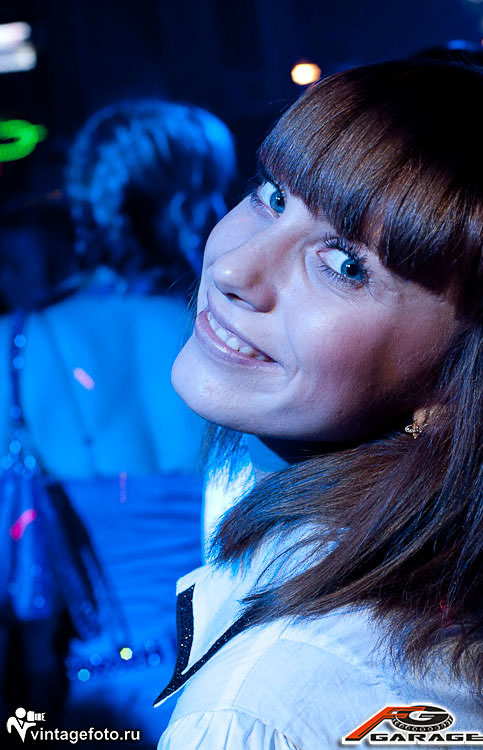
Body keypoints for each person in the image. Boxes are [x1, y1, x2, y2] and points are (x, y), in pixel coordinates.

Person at [155, 60, 483, 749]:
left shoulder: (260, 705)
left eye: (345, 264)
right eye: (272, 196)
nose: (232, 269)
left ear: (460, 383)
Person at [0, 99, 235, 745]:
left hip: (104, 704)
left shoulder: (15, 347)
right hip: (238, 688)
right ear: (190, 201)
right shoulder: (234, 333)